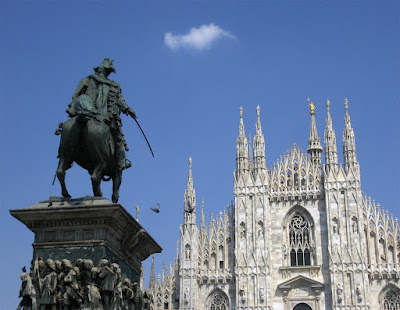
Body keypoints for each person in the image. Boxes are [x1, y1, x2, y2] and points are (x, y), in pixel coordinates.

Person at [66, 58, 137, 171]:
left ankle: (64, 157)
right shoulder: (113, 85)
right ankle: (122, 161)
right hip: (106, 117)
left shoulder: (88, 80)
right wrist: (128, 109)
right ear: (108, 71)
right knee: (119, 138)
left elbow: (76, 94)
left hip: (88, 112)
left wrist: (73, 109)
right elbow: (120, 101)